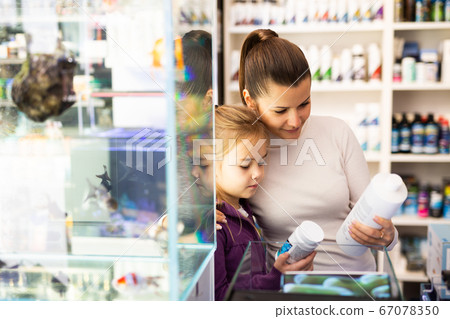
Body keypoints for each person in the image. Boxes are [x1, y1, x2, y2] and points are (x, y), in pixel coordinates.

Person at [217, 29, 398, 272]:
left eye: (304, 104)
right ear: (250, 101)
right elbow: (205, 193)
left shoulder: (337, 132)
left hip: (357, 284)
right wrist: (190, 213)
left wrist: (388, 235)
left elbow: (376, 220)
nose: (295, 121)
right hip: (287, 288)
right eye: (280, 111)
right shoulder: (244, 154)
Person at [213, 105, 315, 301]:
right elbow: (218, 298)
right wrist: (275, 278)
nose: (258, 173)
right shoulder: (215, 225)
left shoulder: (243, 208)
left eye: (261, 161)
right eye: (245, 165)